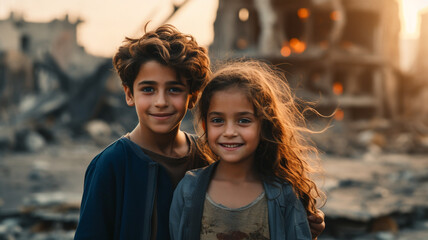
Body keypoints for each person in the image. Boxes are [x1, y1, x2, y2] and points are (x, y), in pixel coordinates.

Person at [74, 24, 325, 240]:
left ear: (193, 97)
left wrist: (302, 224)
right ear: (129, 94)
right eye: (148, 89)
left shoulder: (211, 153)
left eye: (174, 89)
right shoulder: (111, 165)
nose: (160, 101)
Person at [170, 60, 326, 240]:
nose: (229, 132)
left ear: (264, 125)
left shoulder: (284, 195)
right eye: (218, 120)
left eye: (243, 120)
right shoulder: (188, 190)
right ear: (205, 126)